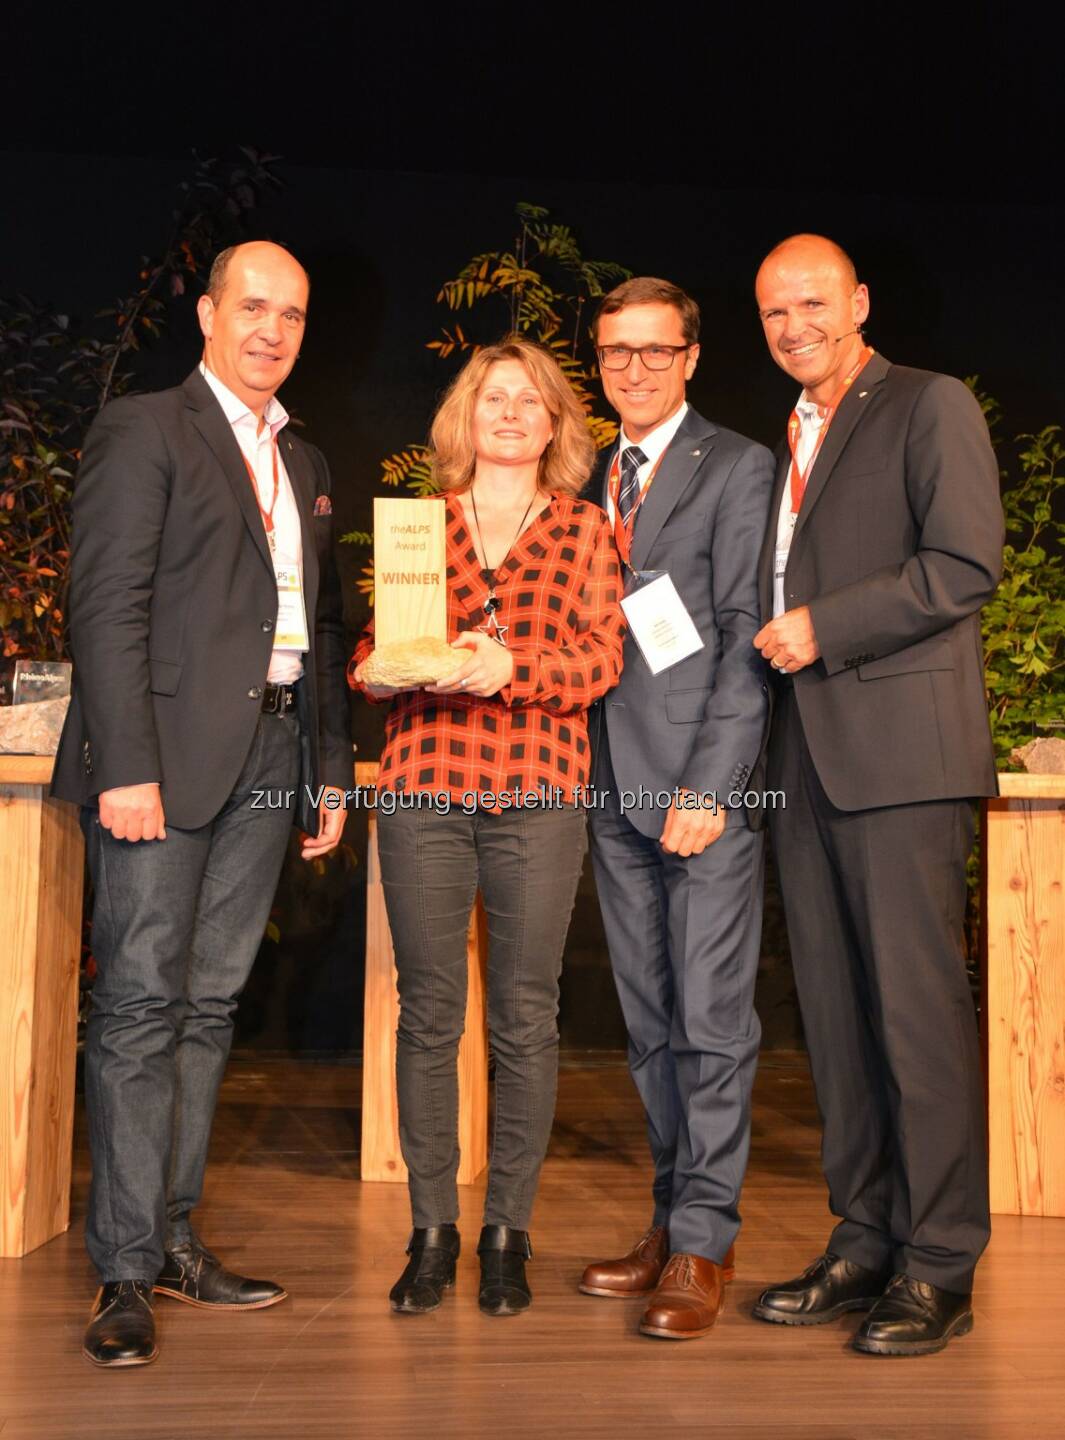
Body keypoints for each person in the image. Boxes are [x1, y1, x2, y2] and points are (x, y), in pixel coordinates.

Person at [52, 241, 352, 1367]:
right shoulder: (147, 429)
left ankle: (175, 1238)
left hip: (274, 758)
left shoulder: (306, 457)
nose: (273, 330)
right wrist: (125, 764)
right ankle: (122, 1269)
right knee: (137, 1005)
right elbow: (108, 605)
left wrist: (329, 766)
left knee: (210, 1006)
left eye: (294, 315)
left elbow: (317, 631)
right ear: (211, 315)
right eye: (255, 307)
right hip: (163, 763)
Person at [750, 233, 1003, 1356]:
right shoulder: (792, 433)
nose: (795, 323)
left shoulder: (928, 403)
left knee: (915, 1015)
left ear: (859, 298)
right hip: (805, 758)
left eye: (813, 301)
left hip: (901, 758)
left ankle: (940, 1261)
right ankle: (864, 1239)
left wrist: (826, 627)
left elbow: (963, 563)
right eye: (773, 312)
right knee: (841, 1021)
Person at [350, 338, 625, 1318]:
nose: (510, 412)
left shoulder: (588, 529)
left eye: (529, 400)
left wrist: (516, 671)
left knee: (525, 1020)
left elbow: (601, 662)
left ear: (555, 424)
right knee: (428, 1018)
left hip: (540, 796)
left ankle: (508, 1233)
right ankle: (434, 1233)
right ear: (464, 418)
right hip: (424, 788)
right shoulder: (419, 526)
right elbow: (374, 652)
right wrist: (375, 670)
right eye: (492, 398)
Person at [577, 278, 774, 1341]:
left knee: (709, 1021)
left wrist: (712, 786)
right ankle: (668, 1218)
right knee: (650, 1023)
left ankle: (705, 1242)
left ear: (693, 356)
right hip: (604, 780)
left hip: (698, 786)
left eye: (657, 351)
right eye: (617, 353)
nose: (636, 370)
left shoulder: (738, 466)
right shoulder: (591, 471)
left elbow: (746, 635)